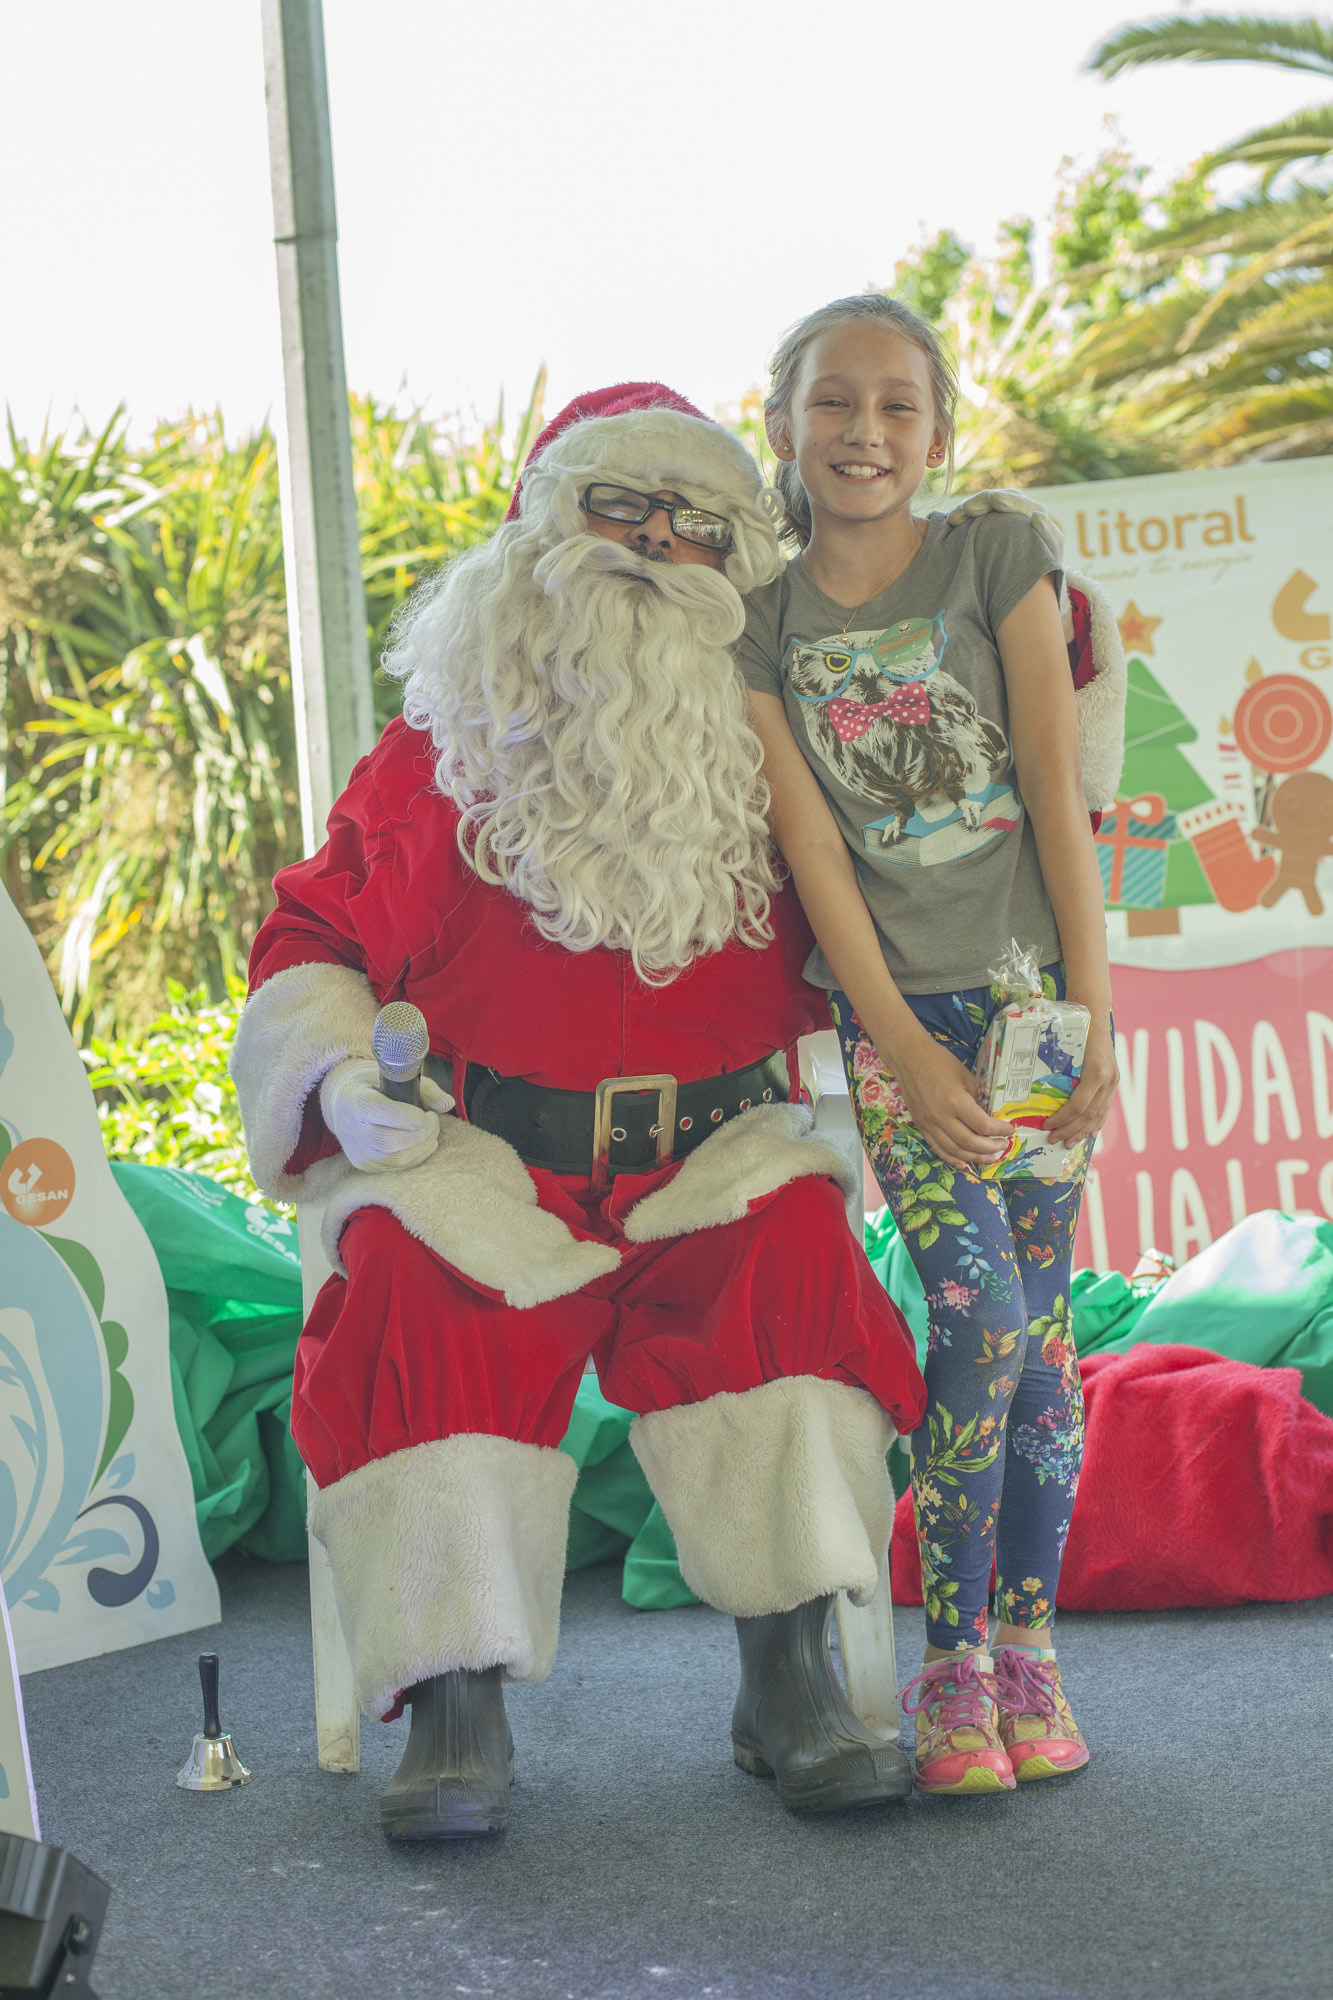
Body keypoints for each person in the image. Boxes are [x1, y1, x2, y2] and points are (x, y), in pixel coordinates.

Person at [229, 382, 926, 1840]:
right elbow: (314, 938)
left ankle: (789, 1669)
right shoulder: (438, 753)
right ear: (542, 532)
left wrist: (1060, 669)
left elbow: (942, 862)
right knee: (412, 1292)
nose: (655, 544)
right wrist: (341, 1082)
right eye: (621, 509)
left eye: (697, 524)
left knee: (794, 1271)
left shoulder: (789, 742)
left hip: (721, 1154)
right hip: (482, 1159)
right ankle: (453, 1697)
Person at [737, 297, 1125, 1796]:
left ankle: (1029, 1651)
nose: (865, 432)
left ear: (938, 432)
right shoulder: (760, 626)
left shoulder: (994, 557)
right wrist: (897, 1046)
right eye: (834, 402)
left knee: (1041, 1331)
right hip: (902, 1027)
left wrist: (1090, 1010)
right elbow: (816, 860)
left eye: (898, 404)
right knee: (974, 1319)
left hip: (1035, 1011)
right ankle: (950, 1661)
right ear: (785, 426)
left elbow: (1053, 790)